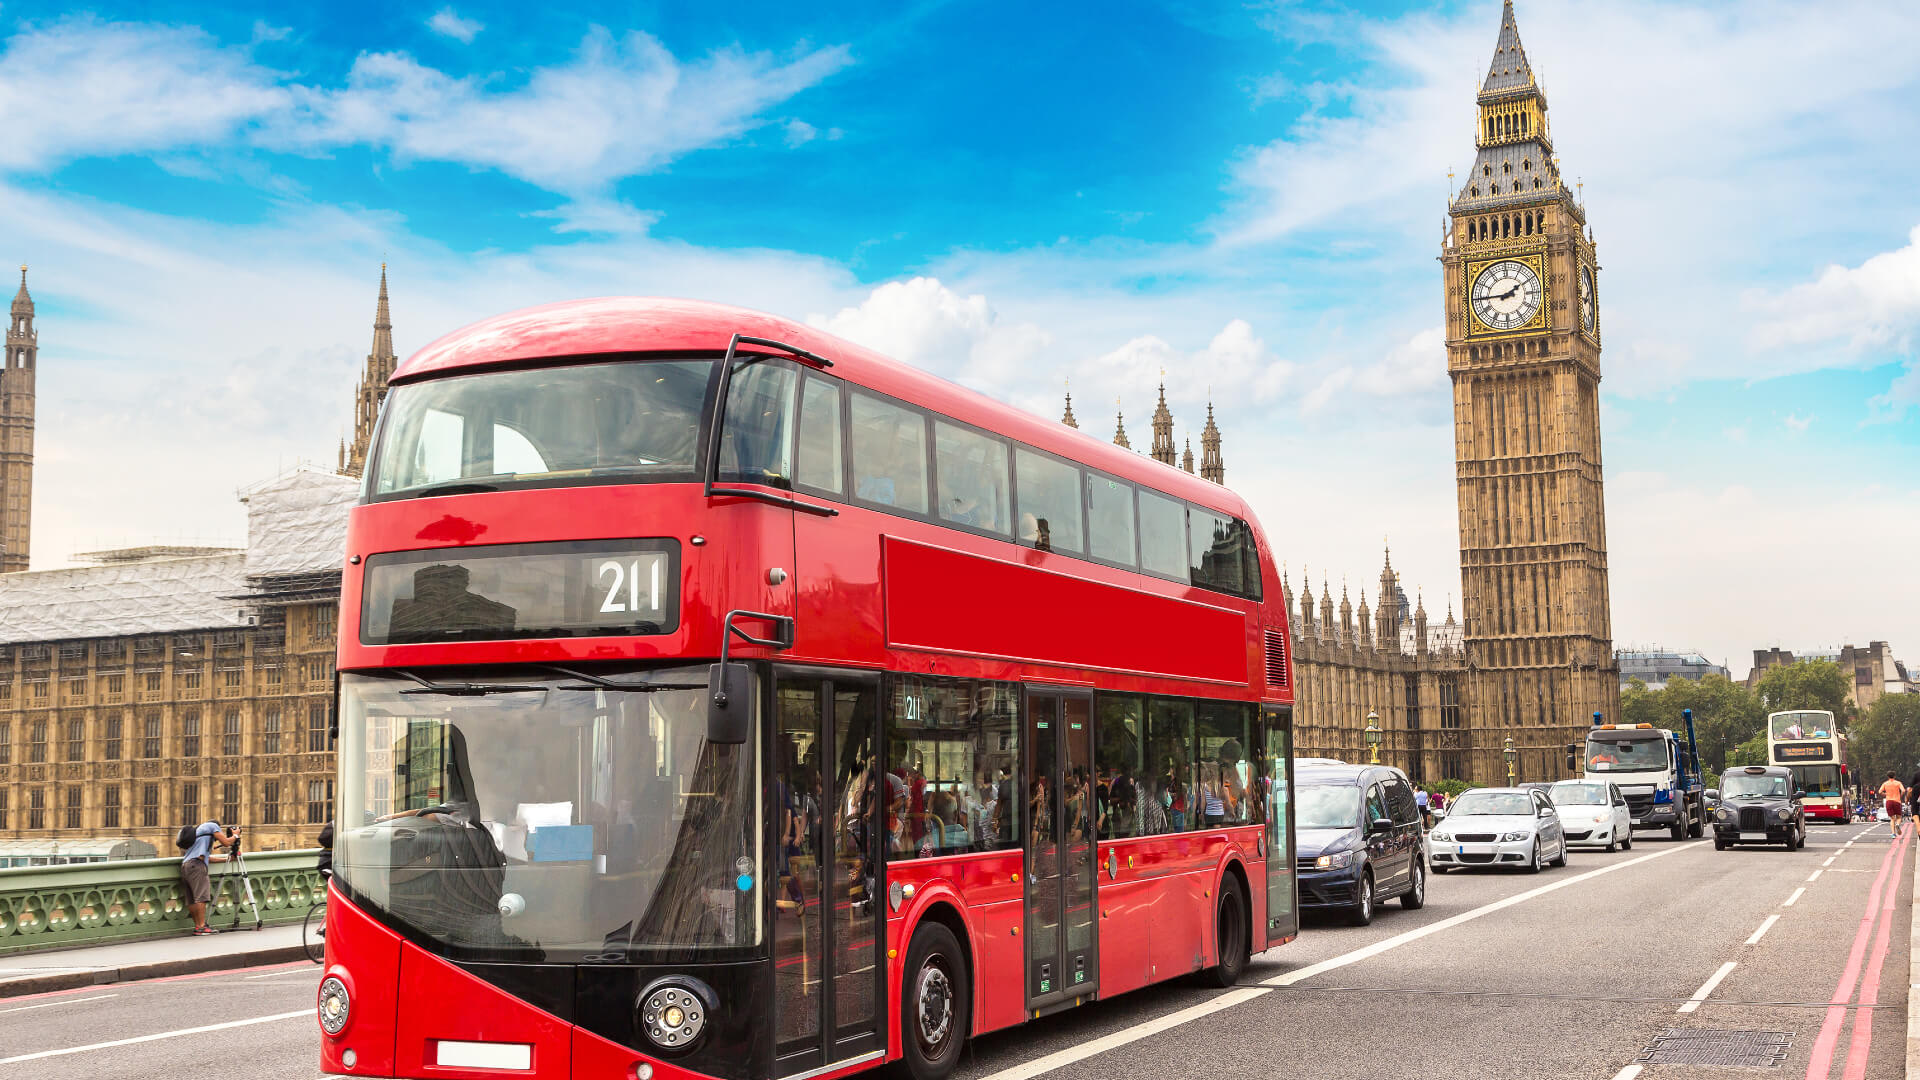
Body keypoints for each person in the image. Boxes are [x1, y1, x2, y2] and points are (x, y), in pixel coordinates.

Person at [181, 820, 238, 936]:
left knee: (192, 898)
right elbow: (227, 843)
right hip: (197, 866)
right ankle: (202, 927)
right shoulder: (212, 826)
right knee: (201, 897)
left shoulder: (198, 833)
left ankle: (198, 926)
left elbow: (207, 858)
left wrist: (226, 860)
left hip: (186, 866)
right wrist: (236, 835)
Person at [1879, 772, 1906, 837]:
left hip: (1889, 801)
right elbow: (1903, 790)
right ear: (1894, 776)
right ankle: (1898, 825)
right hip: (1897, 801)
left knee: (1892, 818)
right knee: (1899, 817)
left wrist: (1885, 794)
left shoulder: (1885, 783)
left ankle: (1893, 834)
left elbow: (1880, 791)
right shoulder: (1898, 783)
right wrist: (1900, 796)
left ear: (1888, 776)